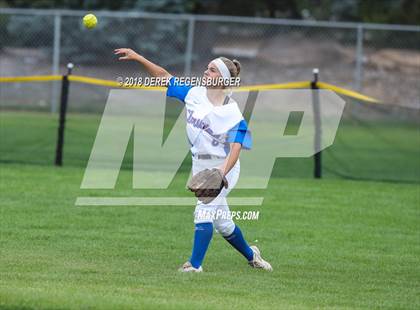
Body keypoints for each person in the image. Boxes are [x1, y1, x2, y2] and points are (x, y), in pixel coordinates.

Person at [114, 48, 272, 272]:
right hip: (200, 165)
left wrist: (221, 174)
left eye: (212, 70)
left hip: (224, 168)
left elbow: (236, 149)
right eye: (207, 68)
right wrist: (138, 58)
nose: (206, 72)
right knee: (223, 224)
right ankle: (252, 255)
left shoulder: (233, 114)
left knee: (203, 210)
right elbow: (163, 77)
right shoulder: (194, 94)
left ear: (224, 79)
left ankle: (194, 266)